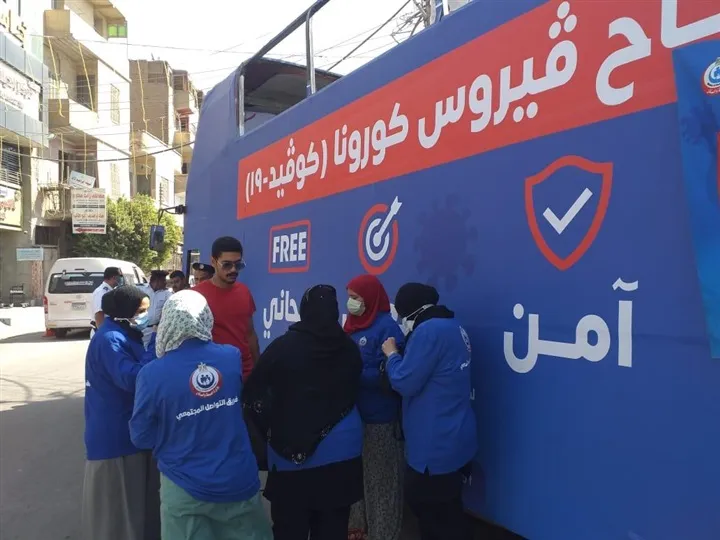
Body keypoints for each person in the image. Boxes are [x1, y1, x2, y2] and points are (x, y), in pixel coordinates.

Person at [130, 290, 272, 540]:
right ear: (206, 317)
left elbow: (141, 436)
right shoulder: (231, 357)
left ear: (167, 321)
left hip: (183, 486)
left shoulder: (151, 374)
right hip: (237, 479)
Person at [244, 284, 364, 540]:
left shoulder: (283, 347)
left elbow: (254, 395)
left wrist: (269, 430)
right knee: (333, 528)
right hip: (343, 451)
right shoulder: (349, 348)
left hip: (291, 455)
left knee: (290, 528)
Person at [381, 283, 477, 540]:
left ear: (412, 311)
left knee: (432, 513)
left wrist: (392, 356)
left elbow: (404, 381)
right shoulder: (454, 326)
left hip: (434, 445)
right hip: (456, 436)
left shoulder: (428, 332)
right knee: (450, 512)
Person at [82, 285, 161, 540]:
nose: (146, 317)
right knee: (119, 518)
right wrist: (155, 346)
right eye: (141, 312)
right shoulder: (110, 340)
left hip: (130, 435)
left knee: (137, 512)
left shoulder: (124, 335)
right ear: (124, 313)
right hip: (116, 441)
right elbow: (134, 379)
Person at [343, 275, 406, 540]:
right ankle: (357, 530)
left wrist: (353, 373)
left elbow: (390, 375)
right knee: (355, 479)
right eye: (349, 297)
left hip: (380, 419)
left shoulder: (387, 328)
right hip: (352, 417)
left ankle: (383, 534)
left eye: (356, 298)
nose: (351, 303)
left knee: (381, 484)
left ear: (369, 298)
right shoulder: (351, 325)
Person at [193, 237, 259, 381]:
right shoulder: (196, 296)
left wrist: (259, 368)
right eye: (227, 265)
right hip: (213, 376)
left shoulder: (244, 292)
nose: (233, 270)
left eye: (238, 264)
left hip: (246, 374)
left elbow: (250, 334)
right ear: (213, 262)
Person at [141, 270, 172, 349]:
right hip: (141, 329)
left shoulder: (166, 294)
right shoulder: (142, 290)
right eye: (163, 280)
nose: (165, 283)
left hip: (156, 330)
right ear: (157, 281)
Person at [91, 266, 123, 337]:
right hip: (102, 332)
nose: (121, 279)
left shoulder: (110, 291)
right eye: (120, 276)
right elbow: (99, 314)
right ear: (113, 277)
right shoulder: (101, 292)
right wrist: (103, 333)